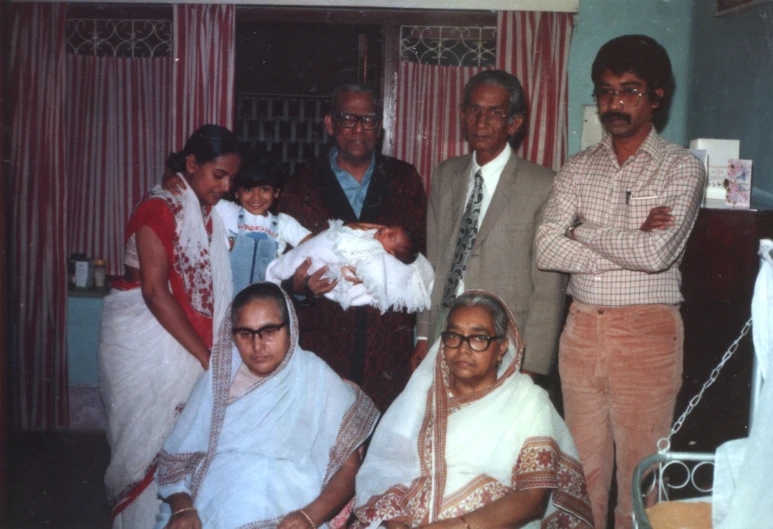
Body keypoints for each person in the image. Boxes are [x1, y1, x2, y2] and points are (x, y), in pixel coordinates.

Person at [535, 35, 706, 529]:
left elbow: (657, 255)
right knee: (582, 471)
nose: (615, 103)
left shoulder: (681, 168)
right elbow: (547, 249)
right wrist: (629, 236)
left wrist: (582, 230)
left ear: (657, 96)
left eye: (629, 91)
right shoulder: (577, 166)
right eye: (606, 91)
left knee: (641, 474)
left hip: (647, 334)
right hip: (581, 329)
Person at [98, 124, 242, 529]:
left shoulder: (206, 212)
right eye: (219, 175)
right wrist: (205, 357)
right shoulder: (159, 208)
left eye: (232, 177)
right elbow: (155, 293)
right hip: (151, 349)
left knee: (189, 454)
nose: (227, 186)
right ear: (192, 164)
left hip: (190, 343)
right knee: (148, 453)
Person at [352, 291, 593, 529]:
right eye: (454, 336)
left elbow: (532, 499)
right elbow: (387, 471)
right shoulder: (421, 396)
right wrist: (395, 522)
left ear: (501, 347)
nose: (463, 348)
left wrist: (457, 526)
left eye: (478, 338)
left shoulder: (527, 401)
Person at [153, 282, 379, 529]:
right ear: (233, 335)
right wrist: (183, 508)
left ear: (290, 328)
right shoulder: (218, 379)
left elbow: (349, 467)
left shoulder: (316, 376)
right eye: (245, 334)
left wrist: (310, 516)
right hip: (215, 504)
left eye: (269, 331)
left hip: (292, 507)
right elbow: (176, 460)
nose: (257, 346)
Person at [278, 83, 427, 411]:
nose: (359, 129)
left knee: (380, 444)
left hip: (386, 347)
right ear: (330, 124)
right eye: (348, 119)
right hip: (324, 345)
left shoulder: (404, 180)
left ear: (380, 127)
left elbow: (420, 256)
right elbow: (284, 268)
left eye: (369, 120)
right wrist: (301, 288)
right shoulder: (301, 184)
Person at [412, 70, 566, 383]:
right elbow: (434, 262)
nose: (481, 123)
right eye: (474, 110)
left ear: (515, 122)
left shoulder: (543, 184)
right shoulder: (446, 174)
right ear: (462, 114)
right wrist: (423, 336)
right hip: (447, 328)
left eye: (495, 113)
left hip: (505, 338)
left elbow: (548, 288)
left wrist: (532, 365)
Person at [165, 151, 313, 295]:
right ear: (237, 192)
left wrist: (295, 268)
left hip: (265, 301)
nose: (256, 197)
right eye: (248, 189)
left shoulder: (283, 223)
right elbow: (193, 192)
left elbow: (312, 245)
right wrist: (170, 177)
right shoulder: (227, 211)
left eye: (264, 189)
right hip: (226, 297)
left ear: (276, 193)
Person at [266, 220, 434, 313]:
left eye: (391, 236)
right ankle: (274, 275)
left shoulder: (379, 256)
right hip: (306, 283)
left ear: (390, 253)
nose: (385, 228)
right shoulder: (370, 237)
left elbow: (376, 276)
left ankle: (274, 274)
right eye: (389, 226)